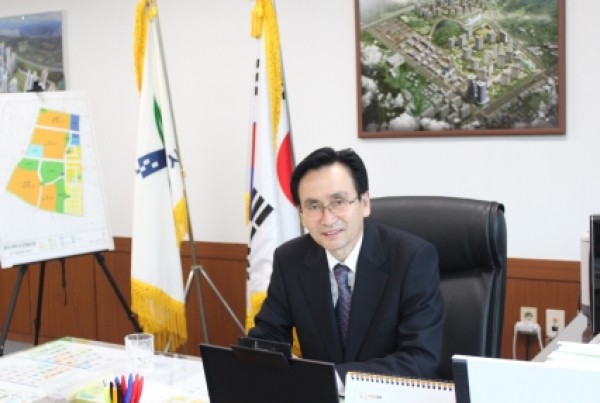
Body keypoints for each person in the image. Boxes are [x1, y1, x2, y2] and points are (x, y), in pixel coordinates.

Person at [247, 147, 445, 389]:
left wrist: (333, 379)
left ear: (364, 203)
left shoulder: (412, 258)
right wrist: (264, 358)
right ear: (301, 214)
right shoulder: (290, 259)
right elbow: (268, 336)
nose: (327, 219)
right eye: (313, 206)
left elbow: (419, 359)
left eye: (338, 202)